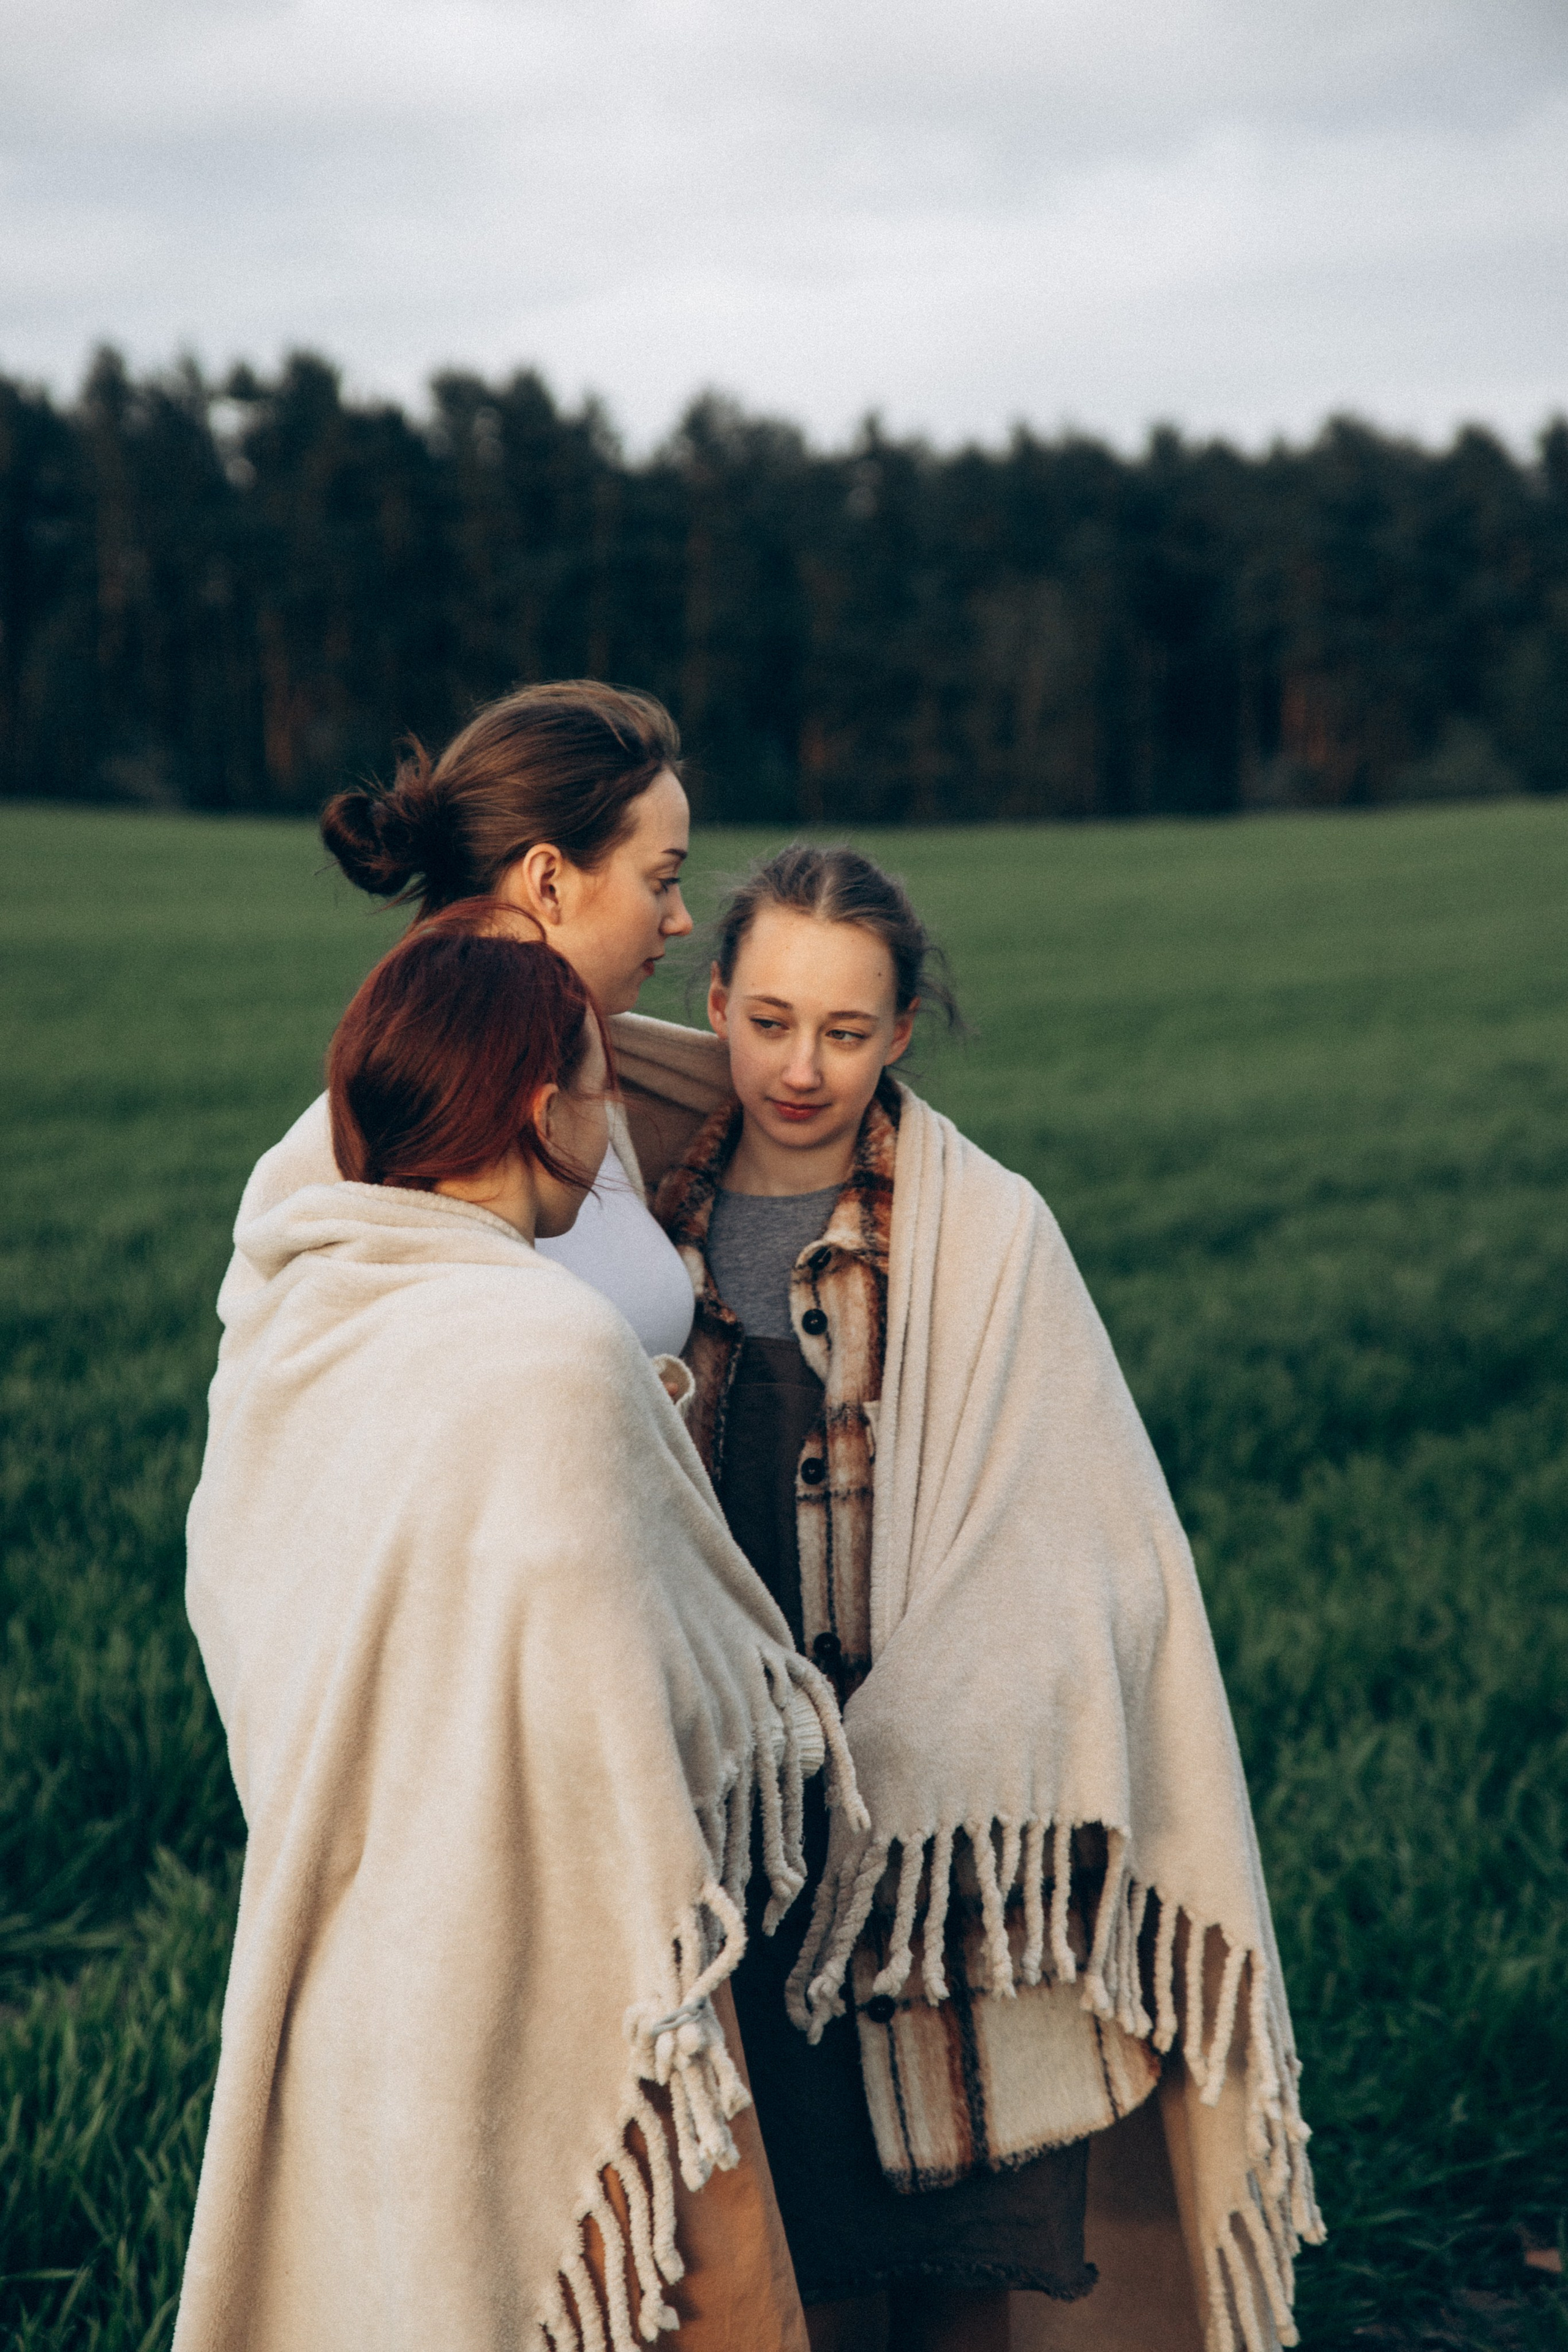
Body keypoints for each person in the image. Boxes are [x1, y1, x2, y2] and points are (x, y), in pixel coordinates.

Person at [649, 847, 1325, 2352]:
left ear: (899, 1031)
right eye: (765, 1021)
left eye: (842, 1029)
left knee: (961, 2237)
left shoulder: (987, 1231)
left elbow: (1084, 1540)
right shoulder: (642, 1234)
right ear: (711, 1006)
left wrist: (925, 1735)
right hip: (725, 1814)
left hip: (942, 1837)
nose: (799, 1066)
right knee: (773, 2235)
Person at [177, 906, 863, 2352]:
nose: (611, 1122)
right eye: (599, 1086)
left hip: (357, 1946)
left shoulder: (303, 1323)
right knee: (663, 2291)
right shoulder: (547, 1350)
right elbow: (636, 1705)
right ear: (541, 1106)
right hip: (574, 1971)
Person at [224, 677, 701, 1355]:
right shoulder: (377, 1131)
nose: (681, 920)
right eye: (661, 880)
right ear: (548, 882)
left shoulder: (587, 1072)